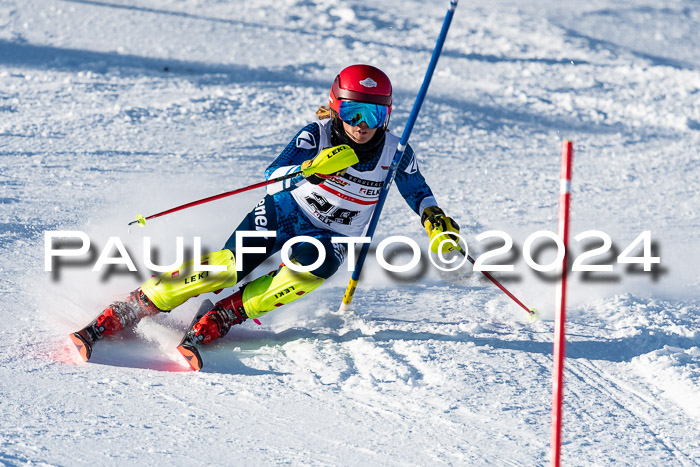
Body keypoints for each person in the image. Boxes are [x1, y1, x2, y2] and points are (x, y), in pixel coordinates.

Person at [70, 64, 460, 367]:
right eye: (353, 112)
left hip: (334, 236)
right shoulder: (316, 136)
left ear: (387, 116)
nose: (361, 126)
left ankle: (227, 314)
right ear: (338, 107)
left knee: (308, 271)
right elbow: (273, 177)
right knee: (225, 268)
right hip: (285, 211)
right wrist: (312, 168)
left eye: (373, 116)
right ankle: (134, 306)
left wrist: (435, 221)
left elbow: (417, 190)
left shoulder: (396, 153)